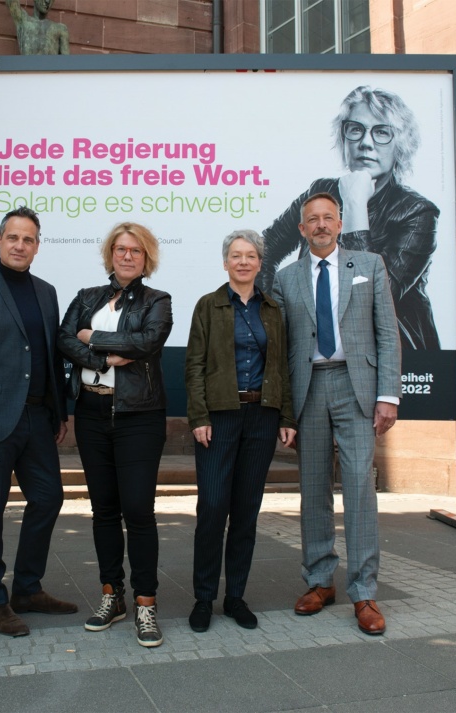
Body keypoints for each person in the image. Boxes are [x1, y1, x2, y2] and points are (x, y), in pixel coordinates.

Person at [271, 192, 400, 637]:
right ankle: (319, 581)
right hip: (308, 388)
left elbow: (387, 333)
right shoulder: (285, 278)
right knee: (313, 489)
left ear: (340, 224)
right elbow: (281, 349)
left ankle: (363, 590)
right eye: (312, 220)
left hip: (356, 386)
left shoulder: (369, 266)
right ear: (302, 229)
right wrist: (285, 410)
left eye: (328, 218)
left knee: (360, 488)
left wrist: (389, 395)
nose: (321, 225)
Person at [0, 206, 76, 638]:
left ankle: (27, 588)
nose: (20, 245)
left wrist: (59, 411)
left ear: (38, 245)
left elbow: (49, 354)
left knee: (48, 498)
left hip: (38, 418)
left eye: (29, 239)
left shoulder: (46, 292)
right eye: (13, 237)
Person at [58, 222, 172, 648]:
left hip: (138, 415)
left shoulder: (158, 300)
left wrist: (93, 338)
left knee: (139, 510)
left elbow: (146, 342)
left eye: (136, 251)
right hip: (90, 412)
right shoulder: (86, 297)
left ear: (147, 258)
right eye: (121, 249)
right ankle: (112, 596)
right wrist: (105, 357)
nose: (127, 256)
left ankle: (146, 602)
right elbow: (64, 338)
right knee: (104, 510)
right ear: (110, 254)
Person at [259, 85, 440, 351]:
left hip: (391, 351)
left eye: (381, 132)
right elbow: (266, 247)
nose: (366, 142)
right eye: (356, 129)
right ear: (344, 138)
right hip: (313, 343)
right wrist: (275, 314)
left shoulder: (417, 211)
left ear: (400, 144)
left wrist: (355, 204)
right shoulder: (321, 190)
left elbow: (373, 296)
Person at [184, 229, 297, 633]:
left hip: (261, 418)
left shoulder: (272, 310)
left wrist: (286, 418)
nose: (244, 262)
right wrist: (198, 417)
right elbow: (194, 365)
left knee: (246, 512)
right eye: (236, 255)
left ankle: (235, 598)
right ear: (225, 261)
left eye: (251, 255)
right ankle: (203, 598)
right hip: (220, 418)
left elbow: (281, 366)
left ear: (260, 263)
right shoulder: (208, 306)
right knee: (213, 509)